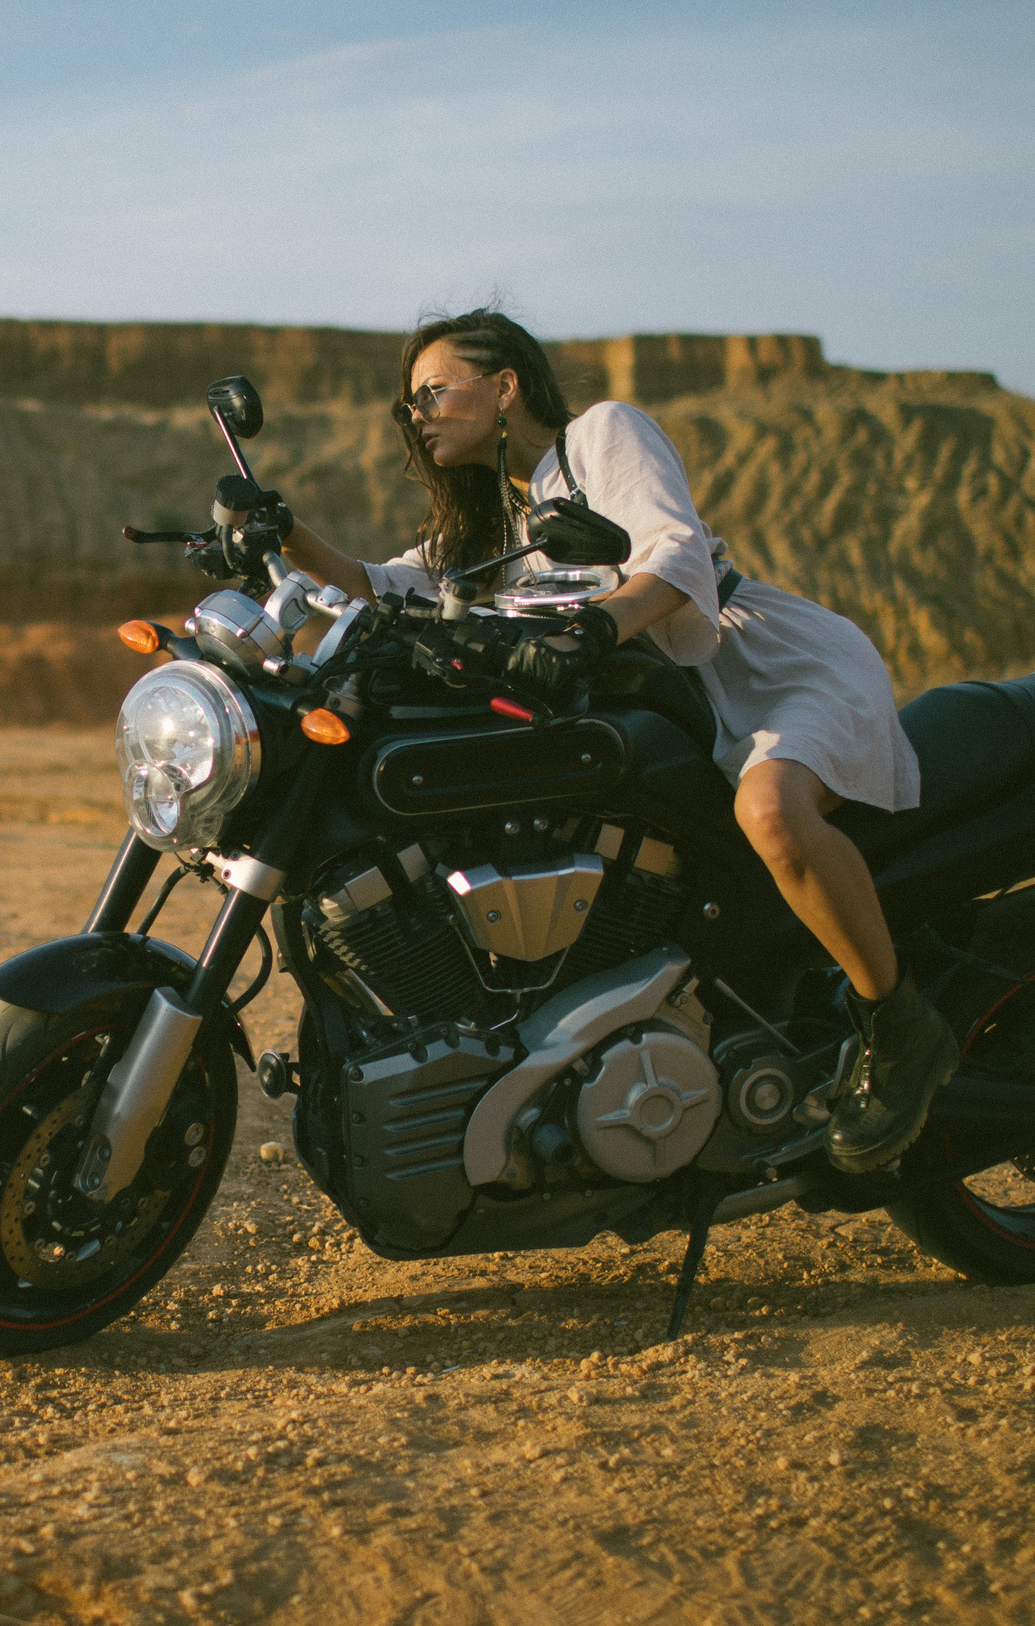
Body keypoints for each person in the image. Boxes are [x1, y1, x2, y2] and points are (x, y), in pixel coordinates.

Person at [279, 308, 956, 1173]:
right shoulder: (509, 522)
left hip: (772, 664)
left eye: (434, 392)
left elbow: (676, 553)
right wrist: (284, 533)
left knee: (772, 814)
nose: (419, 415)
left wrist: (598, 628)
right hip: (687, 698)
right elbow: (392, 585)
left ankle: (901, 1026)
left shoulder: (603, 434)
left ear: (505, 387)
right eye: (409, 405)